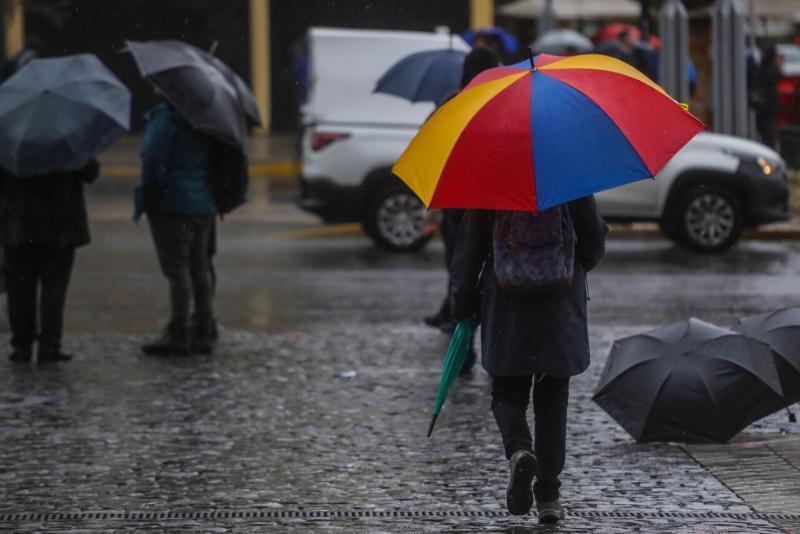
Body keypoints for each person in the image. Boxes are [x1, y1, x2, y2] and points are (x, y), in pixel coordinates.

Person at [451, 197, 607, 524]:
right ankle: (548, 495)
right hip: (560, 302)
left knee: (507, 393)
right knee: (552, 397)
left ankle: (520, 451)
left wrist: (464, 303)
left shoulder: (491, 182)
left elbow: (470, 249)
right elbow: (592, 244)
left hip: (507, 302)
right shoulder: (570, 175)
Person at [424, 46, 501, 373]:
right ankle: (494, 350)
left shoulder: (451, 105)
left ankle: (464, 348)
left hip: (459, 206)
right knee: (496, 278)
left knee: (462, 276)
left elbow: (431, 150)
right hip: (495, 204)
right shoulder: (499, 102)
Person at [135, 97, 218, 356]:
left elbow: (152, 159)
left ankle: (179, 331)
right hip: (203, 204)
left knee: (178, 270)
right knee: (199, 266)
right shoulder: (205, 116)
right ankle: (203, 328)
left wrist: (149, 197)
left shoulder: (166, 118)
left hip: (172, 205)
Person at [0, 159, 99, 362]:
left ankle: (22, 345)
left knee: (20, 290)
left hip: (19, 227)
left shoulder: (11, 141)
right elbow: (90, 172)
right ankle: (50, 344)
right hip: (60, 227)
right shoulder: (67, 144)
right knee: (54, 291)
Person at [753, 43, 783, 149]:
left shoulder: (770, 69)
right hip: (764, 106)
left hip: (767, 106)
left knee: (768, 131)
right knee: (764, 130)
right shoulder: (765, 66)